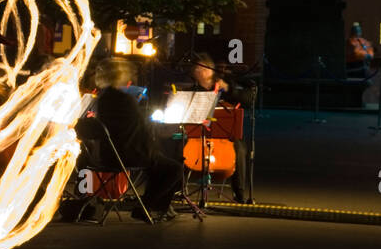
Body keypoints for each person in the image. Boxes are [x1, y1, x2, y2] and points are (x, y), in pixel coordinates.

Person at [81, 57, 184, 223]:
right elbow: (135, 132)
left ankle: (147, 207)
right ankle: (147, 206)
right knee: (174, 169)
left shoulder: (103, 98)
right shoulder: (124, 100)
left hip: (108, 155)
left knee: (158, 166)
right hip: (126, 155)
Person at [185, 53, 253, 203]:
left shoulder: (225, 82)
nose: (200, 72)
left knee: (240, 149)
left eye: (204, 69)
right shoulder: (193, 88)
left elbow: (248, 99)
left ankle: (239, 193)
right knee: (179, 146)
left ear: (211, 69)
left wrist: (229, 89)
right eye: (197, 69)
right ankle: (178, 189)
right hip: (199, 134)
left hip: (225, 134)